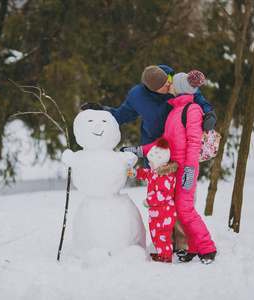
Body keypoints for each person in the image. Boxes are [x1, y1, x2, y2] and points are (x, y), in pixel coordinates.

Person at [81, 65, 216, 257]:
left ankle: (183, 243)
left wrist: (210, 114)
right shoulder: (138, 96)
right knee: (162, 201)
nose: (166, 88)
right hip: (156, 155)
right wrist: (102, 111)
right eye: (161, 87)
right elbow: (122, 115)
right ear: (149, 89)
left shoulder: (178, 83)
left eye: (167, 83)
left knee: (183, 202)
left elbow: (199, 101)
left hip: (183, 154)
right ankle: (165, 243)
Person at [141, 70, 217, 264]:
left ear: (181, 88)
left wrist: (190, 170)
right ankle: (191, 248)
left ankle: (207, 248)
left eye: (172, 83)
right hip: (174, 167)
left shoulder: (192, 109)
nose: (169, 85)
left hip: (185, 168)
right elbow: (165, 142)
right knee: (180, 209)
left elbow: (194, 142)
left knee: (185, 210)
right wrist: (140, 150)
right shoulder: (174, 110)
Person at [127, 137, 179, 263]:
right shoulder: (156, 172)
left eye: (150, 162)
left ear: (158, 161)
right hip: (158, 212)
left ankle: (166, 256)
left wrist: (148, 201)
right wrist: (135, 173)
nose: (149, 164)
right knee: (156, 233)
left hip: (164, 212)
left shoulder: (164, 175)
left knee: (161, 234)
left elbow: (162, 194)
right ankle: (162, 253)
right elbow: (146, 174)